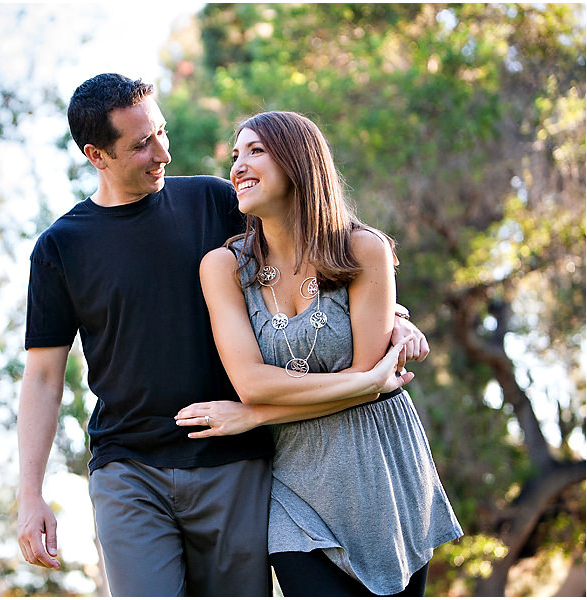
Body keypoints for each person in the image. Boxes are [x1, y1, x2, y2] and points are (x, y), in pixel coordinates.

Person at [17, 73, 429, 596]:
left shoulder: (212, 203)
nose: (163, 152)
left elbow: (307, 255)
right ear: (97, 155)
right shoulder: (61, 248)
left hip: (234, 461)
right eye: (141, 144)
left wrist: (392, 313)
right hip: (129, 468)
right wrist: (30, 494)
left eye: (160, 132)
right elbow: (44, 376)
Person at [175, 111, 462, 596]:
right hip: (296, 489)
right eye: (235, 155)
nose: (238, 167)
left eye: (256, 151)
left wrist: (254, 416)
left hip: (383, 472)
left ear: (298, 163)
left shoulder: (363, 250)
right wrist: (367, 382)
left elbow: (367, 383)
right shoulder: (223, 267)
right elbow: (253, 381)